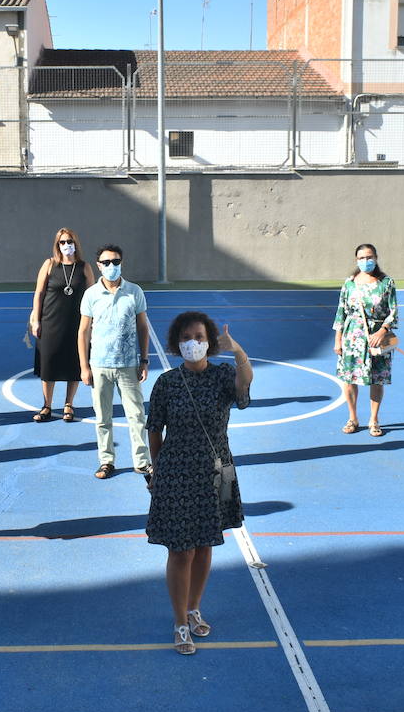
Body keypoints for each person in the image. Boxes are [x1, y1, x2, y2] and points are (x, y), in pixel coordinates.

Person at [145, 312, 253, 655]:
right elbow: (154, 428)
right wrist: (157, 469)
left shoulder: (222, 375)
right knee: (181, 550)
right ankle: (179, 621)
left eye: (200, 336)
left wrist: (237, 352)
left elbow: (243, 388)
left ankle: (194, 607)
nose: (193, 342)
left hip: (214, 471)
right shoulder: (166, 382)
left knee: (205, 545)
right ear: (178, 343)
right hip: (176, 472)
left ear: (209, 341)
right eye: (187, 337)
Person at [78, 244, 151, 480]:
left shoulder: (134, 291)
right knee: (103, 418)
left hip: (128, 365)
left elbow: (142, 326)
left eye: (116, 262)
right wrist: (84, 366)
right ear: (98, 265)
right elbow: (83, 332)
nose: (112, 266)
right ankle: (106, 461)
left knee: (137, 416)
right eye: (107, 262)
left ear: (122, 263)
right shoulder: (91, 294)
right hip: (100, 366)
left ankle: (142, 461)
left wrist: (144, 359)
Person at [29, 227, 95, 422]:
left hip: (76, 323)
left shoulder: (84, 267)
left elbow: (92, 296)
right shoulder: (49, 265)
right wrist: (36, 319)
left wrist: (93, 324)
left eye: (70, 241)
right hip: (50, 322)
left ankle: (69, 404)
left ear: (76, 243)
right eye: (63, 242)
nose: (67, 245)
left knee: (73, 363)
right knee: (48, 363)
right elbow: (39, 293)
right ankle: (46, 406)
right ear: (57, 245)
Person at [333, 243, 399, 437]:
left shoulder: (386, 283)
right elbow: (341, 312)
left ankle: (374, 420)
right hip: (352, 336)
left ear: (376, 258)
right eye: (361, 258)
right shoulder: (350, 283)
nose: (366, 261)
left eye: (369, 257)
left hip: (377, 338)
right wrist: (338, 340)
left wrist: (382, 331)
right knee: (349, 378)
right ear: (356, 260)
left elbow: (393, 312)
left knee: (376, 379)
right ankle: (352, 418)